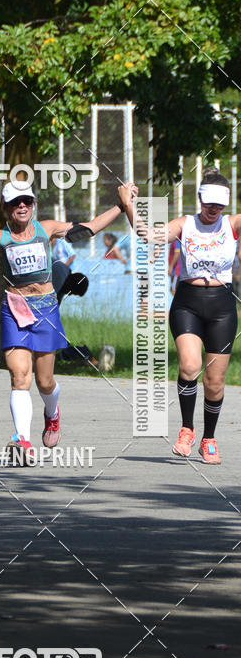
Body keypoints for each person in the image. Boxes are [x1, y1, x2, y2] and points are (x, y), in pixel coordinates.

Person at [0, 181, 134, 460]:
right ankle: (23, 441)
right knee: (20, 376)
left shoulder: (48, 229)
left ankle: (52, 413)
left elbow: (89, 228)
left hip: (46, 308)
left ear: (32, 205)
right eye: (15, 203)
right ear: (6, 209)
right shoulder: (0, 237)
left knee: (45, 382)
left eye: (27, 201)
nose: (22, 206)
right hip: (15, 309)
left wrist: (121, 205)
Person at [119, 170, 241, 464]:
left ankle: (208, 438)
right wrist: (127, 204)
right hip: (188, 303)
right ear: (199, 198)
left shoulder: (232, 224)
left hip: (222, 306)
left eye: (219, 204)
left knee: (214, 382)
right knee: (189, 365)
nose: (213, 209)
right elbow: (148, 235)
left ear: (226, 203)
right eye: (208, 202)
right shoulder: (185, 224)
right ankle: (187, 428)